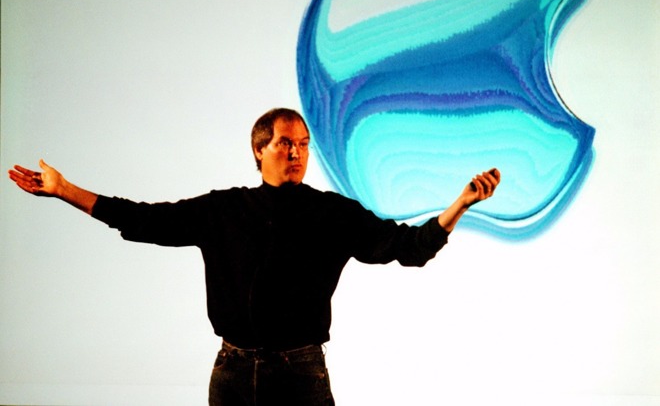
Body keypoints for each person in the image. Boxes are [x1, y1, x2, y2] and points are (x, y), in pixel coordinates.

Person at [8, 107, 500, 406]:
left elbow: (409, 249)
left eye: (304, 145)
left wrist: (459, 204)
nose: (297, 154)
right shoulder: (223, 210)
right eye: (286, 144)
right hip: (232, 374)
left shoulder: (331, 214)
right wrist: (64, 189)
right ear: (259, 150)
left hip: (300, 374)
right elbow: (142, 220)